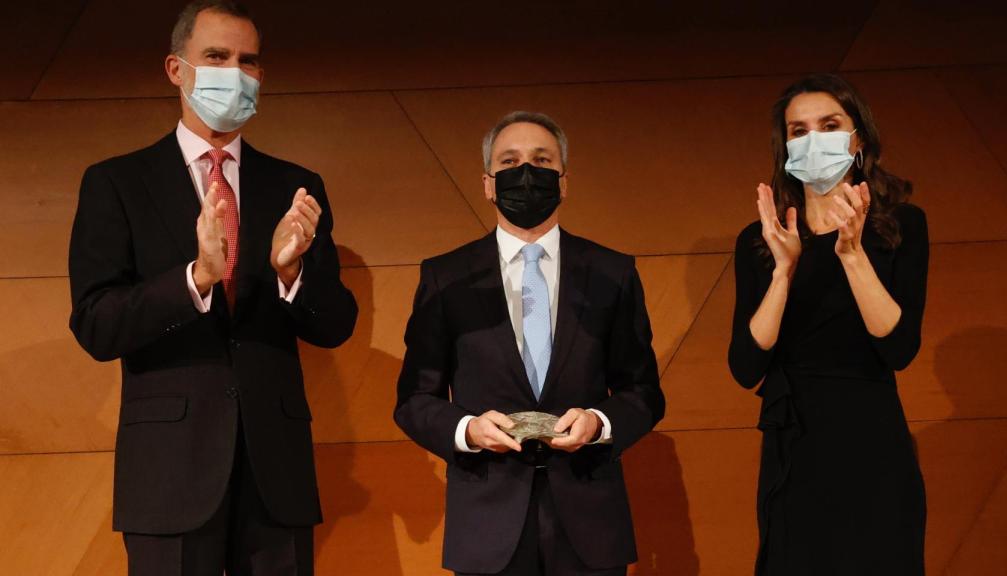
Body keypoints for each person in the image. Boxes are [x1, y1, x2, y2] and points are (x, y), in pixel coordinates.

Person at [67, 1, 358, 574]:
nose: (235, 72)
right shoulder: (116, 182)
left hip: (275, 471)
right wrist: (196, 278)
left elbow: (336, 323)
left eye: (248, 60)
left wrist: (290, 274)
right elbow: (97, 323)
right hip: (169, 472)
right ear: (177, 69)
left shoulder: (295, 186)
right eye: (217, 56)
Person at [394, 111, 665, 576]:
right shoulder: (446, 277)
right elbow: (415, 399)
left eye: (541, 161)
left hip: (590, 519)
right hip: (486, 522)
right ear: (487, 183)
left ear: (563, 181)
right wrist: (469, 431)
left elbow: (643, 393)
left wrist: (599, 423)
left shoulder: (612, 273)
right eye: (510, 161)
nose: (526, 174)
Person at [728, 73, 928, 575]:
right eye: (799, 130)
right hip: (794, 445)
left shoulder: (902, 224)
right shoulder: (761, 236)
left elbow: (899, 349)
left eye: (829, 124)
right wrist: (784, 271)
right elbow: (746, 365)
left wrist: (852, 253)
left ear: (858, 138)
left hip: (872, 440)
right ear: (785, 145)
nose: (813, 139)